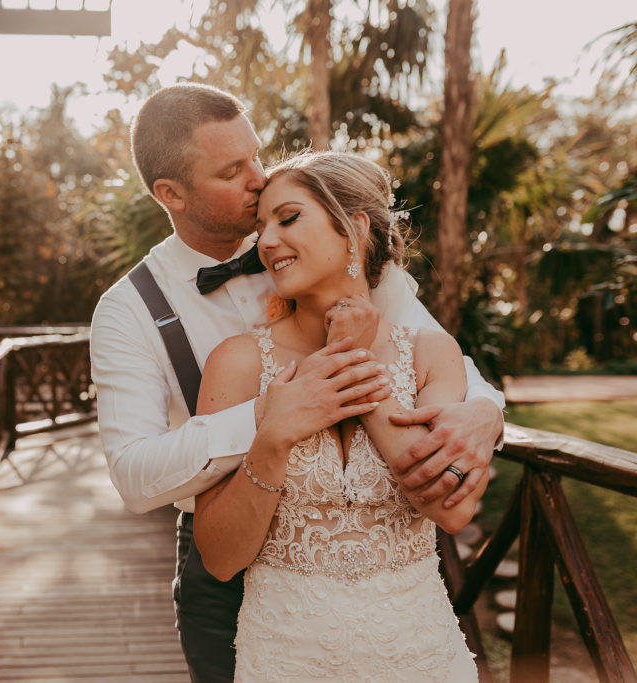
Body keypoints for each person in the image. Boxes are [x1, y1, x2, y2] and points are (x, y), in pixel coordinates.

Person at [89, 82, 504, 682]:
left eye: (256, 156)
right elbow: (132, 475)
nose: (258, 179)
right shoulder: (127, 310)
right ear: (170, 193)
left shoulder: (329, 246)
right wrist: (272, 414)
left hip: (396, 605)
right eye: (233, 170)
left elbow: (442, 362)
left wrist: (488, 413)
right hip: (231, 575)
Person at [194, 150, 482, 681]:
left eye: (288, 217)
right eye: (261, 227)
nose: (266, 242)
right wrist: (274, 435)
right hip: (285, 658)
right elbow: (219, 558)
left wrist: (353, 362)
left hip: (419, 655)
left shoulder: (430, 354)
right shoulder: (236, 362)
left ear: (353, 228)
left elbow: (451, 510)